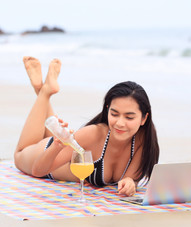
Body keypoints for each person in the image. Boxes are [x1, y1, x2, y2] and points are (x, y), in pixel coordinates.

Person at [14, 57, 159, 197]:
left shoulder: (142, 141)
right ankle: (44, 92)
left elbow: (130, 178)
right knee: (19, 154)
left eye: (129, 117)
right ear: (107, 109)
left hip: (62, 151)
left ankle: (42, 88)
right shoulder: (93, 134)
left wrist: (130, 182)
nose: (120, 123)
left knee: (53, 126)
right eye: (114, 114)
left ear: (144, 118)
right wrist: (57, 146)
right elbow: (38, 170)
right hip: (47, 155)